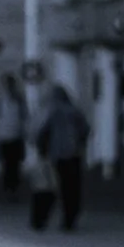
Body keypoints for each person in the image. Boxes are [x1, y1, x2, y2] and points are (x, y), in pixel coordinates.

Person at [30, 71, 90, 230]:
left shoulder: (51, 111)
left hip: (55, 155)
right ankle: (70, 220)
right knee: (72, 189)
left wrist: (41, 150)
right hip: (74, 155)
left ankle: (40, 220)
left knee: (49, 188)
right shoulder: (75, 112)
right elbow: (86, 130)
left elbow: (41, 132)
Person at [0, 66, 27, 198]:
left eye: (10, 83)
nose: (8, 86)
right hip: (3, 136)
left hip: (17, 136)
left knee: (15, 163)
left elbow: (25, 117)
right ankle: (8, 186)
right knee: (7, 163)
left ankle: (13, 186)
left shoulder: (19, 99)